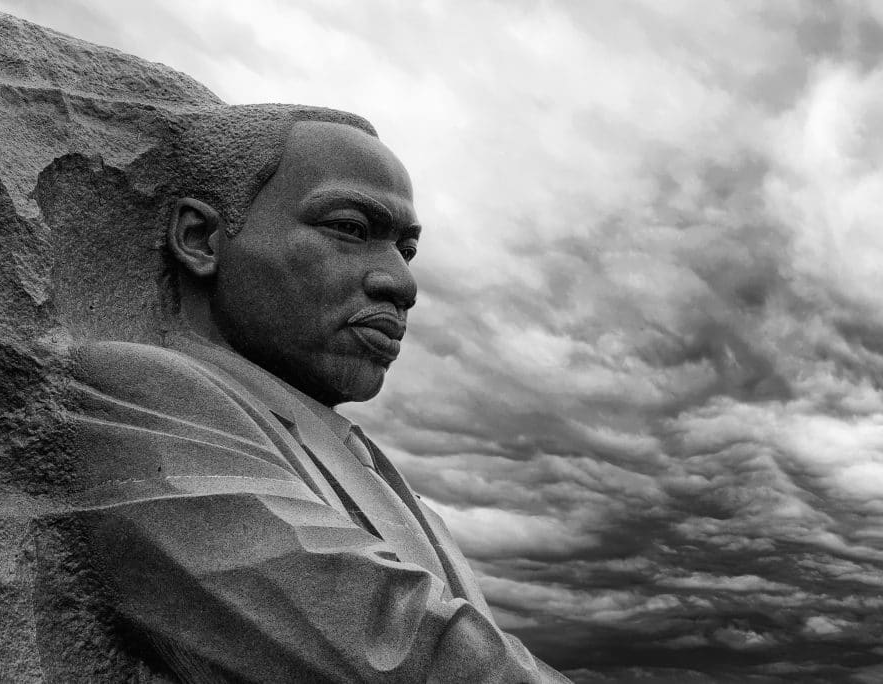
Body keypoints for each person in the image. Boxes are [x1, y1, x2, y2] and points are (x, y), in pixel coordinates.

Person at [61, 105, 571, 683]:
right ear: (201, 239)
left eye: (406, 250)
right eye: (350, 229)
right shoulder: (138, 389)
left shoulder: (366, 458)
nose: (401, 284)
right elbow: (387, 645)